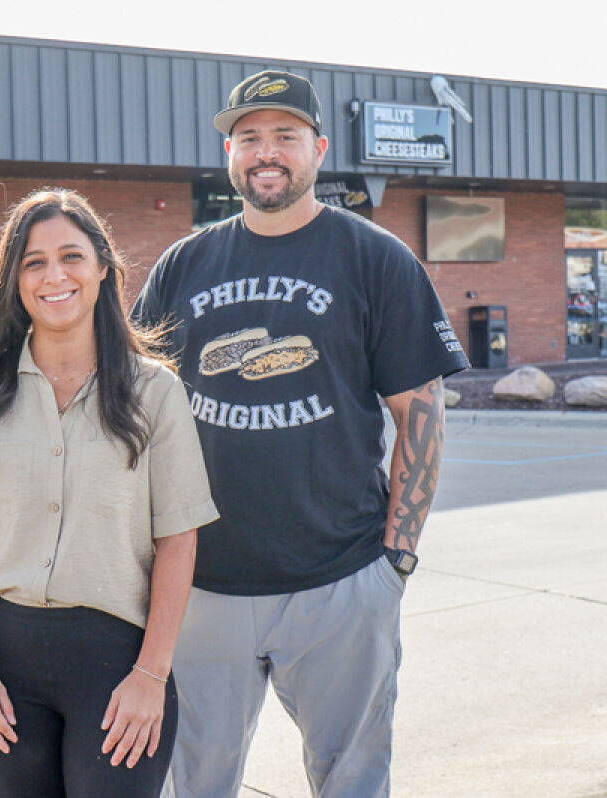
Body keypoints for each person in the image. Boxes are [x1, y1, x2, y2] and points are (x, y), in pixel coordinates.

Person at [133, 71, 470, 798]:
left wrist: (395, 563)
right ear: (229, 152)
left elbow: (420, 411)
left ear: (317, 148)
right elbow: (130, 407)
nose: (266, 152)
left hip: (340, 580)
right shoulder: (183, 265)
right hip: (202, 585)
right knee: (193, 783)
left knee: (351, 780)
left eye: (285, 135)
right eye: (248, 137)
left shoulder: (375, 258)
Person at [0, 188, 218, 798]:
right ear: (14, 282)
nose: (55, 276)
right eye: (34, 262)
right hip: (3, 668)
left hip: (118, 668)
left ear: (104, 268)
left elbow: (179, 541)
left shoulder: (155, 392)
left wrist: (150, 676)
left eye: (71, 256)